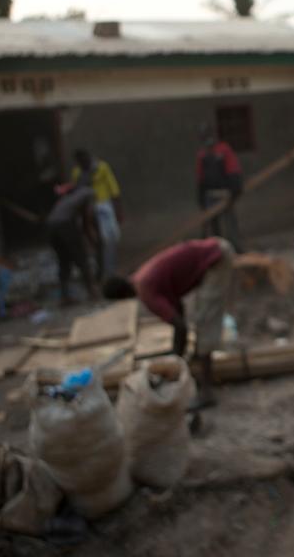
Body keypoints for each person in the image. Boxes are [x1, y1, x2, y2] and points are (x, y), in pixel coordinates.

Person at [102, 237, 236, 408]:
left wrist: (174, 360)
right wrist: (176, 355)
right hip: (213, 250)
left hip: (216, 258)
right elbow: (178, 311)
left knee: (205, 321)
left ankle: (207, 392)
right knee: (201, 314)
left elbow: (180, 325)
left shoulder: (145, 290)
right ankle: (199, 357)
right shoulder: (141, 278)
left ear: (121, 298)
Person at [71, 149, 123, 280]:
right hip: (88, 208)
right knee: (100, 240)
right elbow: (76, 192)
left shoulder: (101, 167)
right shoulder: (77, 173)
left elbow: (113, 187)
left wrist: (117, 208)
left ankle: (110, 269)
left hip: (104, 205)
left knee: (112, 237)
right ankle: (105, 272)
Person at [46, 182, 100, 305]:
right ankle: (92, 292)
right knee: (81, 258)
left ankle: (64, 296)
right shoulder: (88, 194)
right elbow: (87, 220)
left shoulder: (68, 199)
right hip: (65, 225)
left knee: (63, 260)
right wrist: (92, 240)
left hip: (50, 226)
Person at [195, 124, 243, 251]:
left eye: (209, 135)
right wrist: (200, 197)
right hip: (210, 195)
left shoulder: (223, 150)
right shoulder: (202, 155)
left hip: (224, 193)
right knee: (212, 225)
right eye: (204, 136)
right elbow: (200, 178)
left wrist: (235, 187)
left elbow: (233, 168)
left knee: (229, 223)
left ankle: (236, 248)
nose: (208, 138)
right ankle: (216, 251)